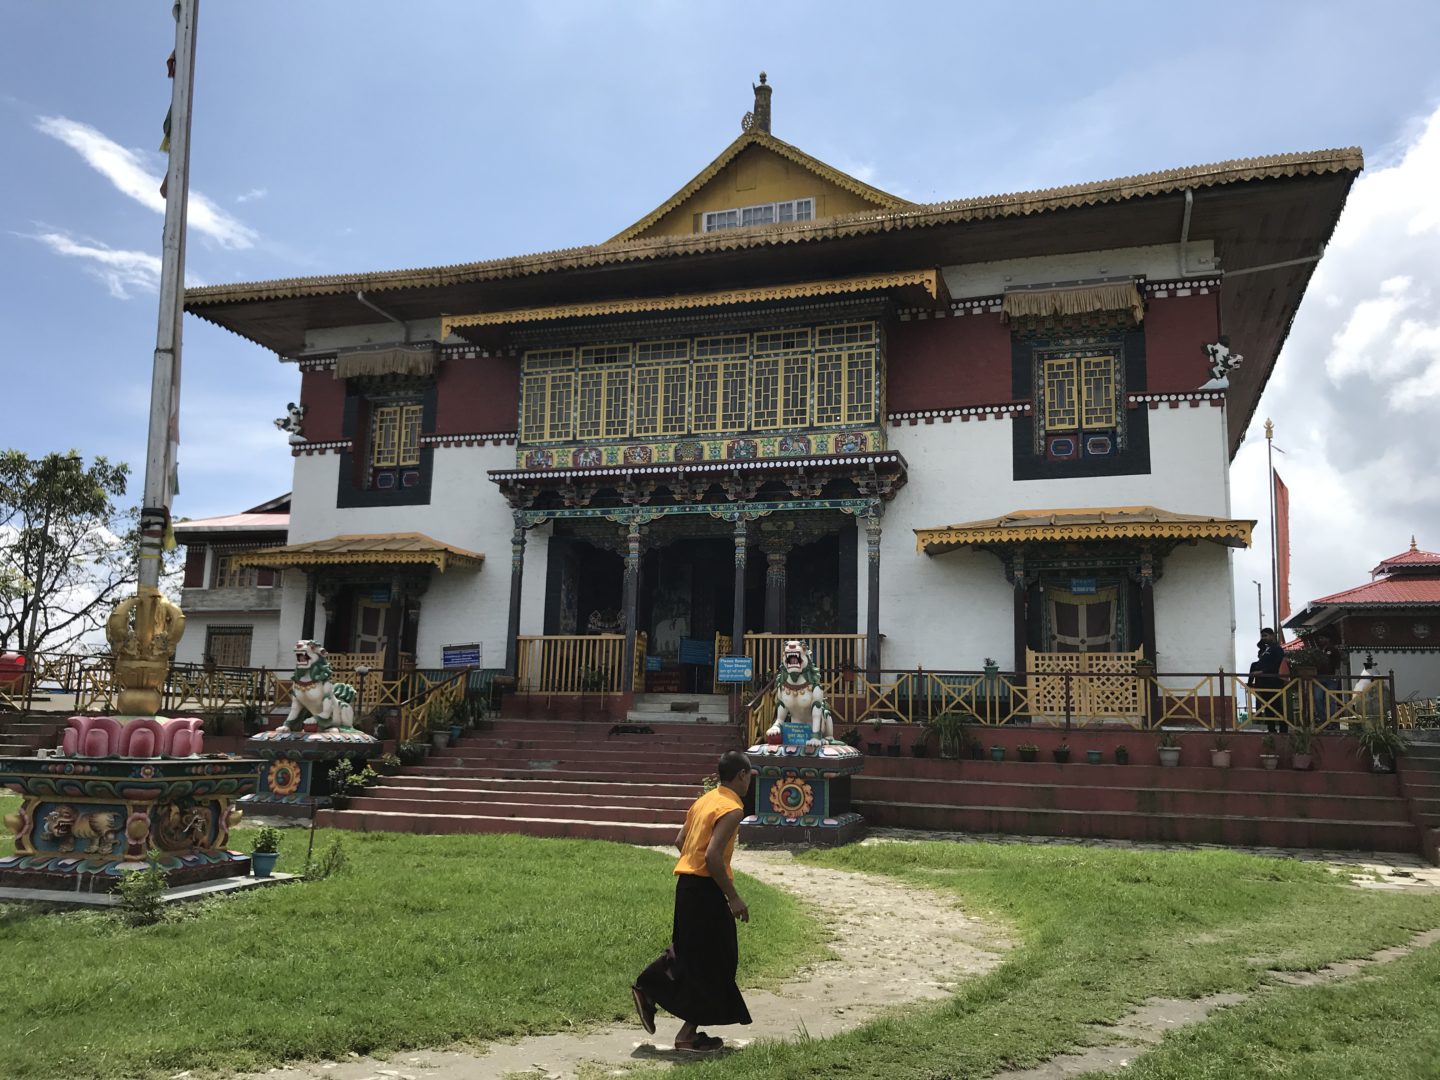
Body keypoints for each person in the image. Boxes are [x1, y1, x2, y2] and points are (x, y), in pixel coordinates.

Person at [632, 750, 754, 1054]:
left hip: (687, 885)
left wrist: (694, 869)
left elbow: (680, 842)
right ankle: (651, 988)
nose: (749, 782)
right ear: (741, 775)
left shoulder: (705, 800)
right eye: (749, 776)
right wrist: (734, 897)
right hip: (706, 889)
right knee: (720, 959)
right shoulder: (732, 808)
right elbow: (713, 856)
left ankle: (680, 1024)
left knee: (693, 954)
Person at [1248, 628, 1286, 732]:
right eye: (1262, 636)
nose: (1264, 638)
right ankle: (1271, 728)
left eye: (1266, 636)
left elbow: (1275, 665)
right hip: (1263, 682)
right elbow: (1260, 645)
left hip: (1272, 681)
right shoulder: (1266, 649)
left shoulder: (1277, 649)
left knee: (1276, 706)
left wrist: (1262, 672)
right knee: (1267, 706)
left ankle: (1283, 728)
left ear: (1273, 635)